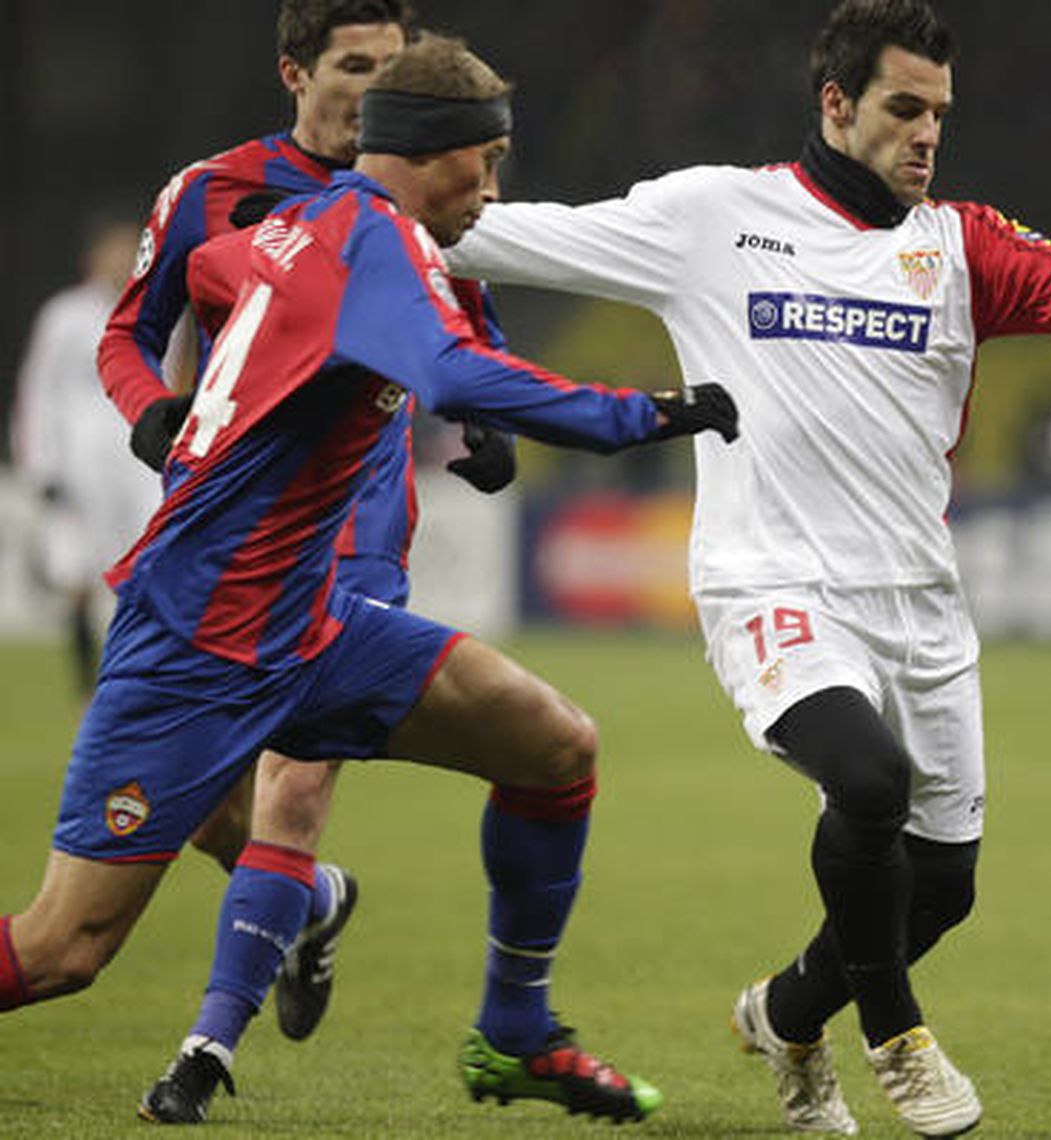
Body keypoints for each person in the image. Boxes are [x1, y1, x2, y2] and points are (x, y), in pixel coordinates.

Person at [444, 1, 1051, 1134]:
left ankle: (787, 1015)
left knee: (945, 887)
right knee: (867, 783)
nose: (926, 133)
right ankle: (896, 1037)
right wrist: (342, 188)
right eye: (902, 108)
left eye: (938, 112)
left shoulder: (961, 244)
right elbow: (495, 232)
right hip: (771, 583)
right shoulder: (713, 217)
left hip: (918, 603)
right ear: (835, 104)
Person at [0, 30, 737, 1129]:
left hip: (307, 622)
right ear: (422, 151)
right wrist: (650, 414)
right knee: (64, 950)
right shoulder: (376, 245)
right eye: (480, 164)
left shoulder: (305, 225)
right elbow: (444, 367)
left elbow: (216, 271)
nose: (491, 192)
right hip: (200, 642)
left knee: (554, 746)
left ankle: (517, 1034)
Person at [95, 2, 514, 1093]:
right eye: (357, 68)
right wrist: (151, 411)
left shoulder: (415, 189)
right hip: (221, 543)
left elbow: (472, 319)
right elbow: (127, 332)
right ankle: (312, 899)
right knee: (202, 812)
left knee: (294, 791)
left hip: (355, 538)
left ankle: (203, 1052)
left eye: (393, 70)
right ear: (294, 72)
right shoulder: (211, 193)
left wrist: (491, 427)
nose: (380, 92)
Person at [10, 218, 161, 699]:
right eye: (113, 250)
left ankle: (137, 676)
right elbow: (38, 388)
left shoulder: (153, 309)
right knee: (75, 569)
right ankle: (85, 685)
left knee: (144, 570)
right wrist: (39, 462)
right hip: (79, 460)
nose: (121, 260)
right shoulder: (66, 315)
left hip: (138, 459)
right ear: (93, 257)